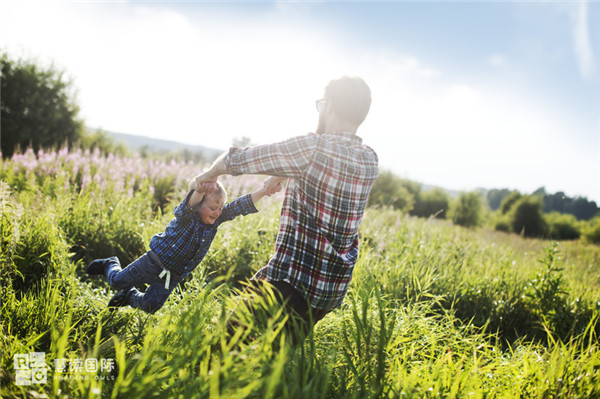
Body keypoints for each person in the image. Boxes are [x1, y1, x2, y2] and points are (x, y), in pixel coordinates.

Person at [193, 75, 379, 342]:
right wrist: (281, 174)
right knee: (272, 365)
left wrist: (209, 175)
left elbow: (240, 159)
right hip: (329, 290)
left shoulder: (313, 147)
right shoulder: (369, 158)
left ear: (328, 106)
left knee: (221, 352)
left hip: (292, 281)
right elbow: (326, 169)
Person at [85, 177, 283, 314]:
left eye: (220, 207)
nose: (217, 212)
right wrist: (199, 189)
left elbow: (239, 205)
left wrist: (264, 191)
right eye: (213, 208)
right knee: (116, 281)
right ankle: (109, 263)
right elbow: (189, 203)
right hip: (152, 262)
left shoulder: (216, 221)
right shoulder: (186, 217)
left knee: (150, 306)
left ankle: (129, 296)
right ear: (198, 206)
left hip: (172, 275)